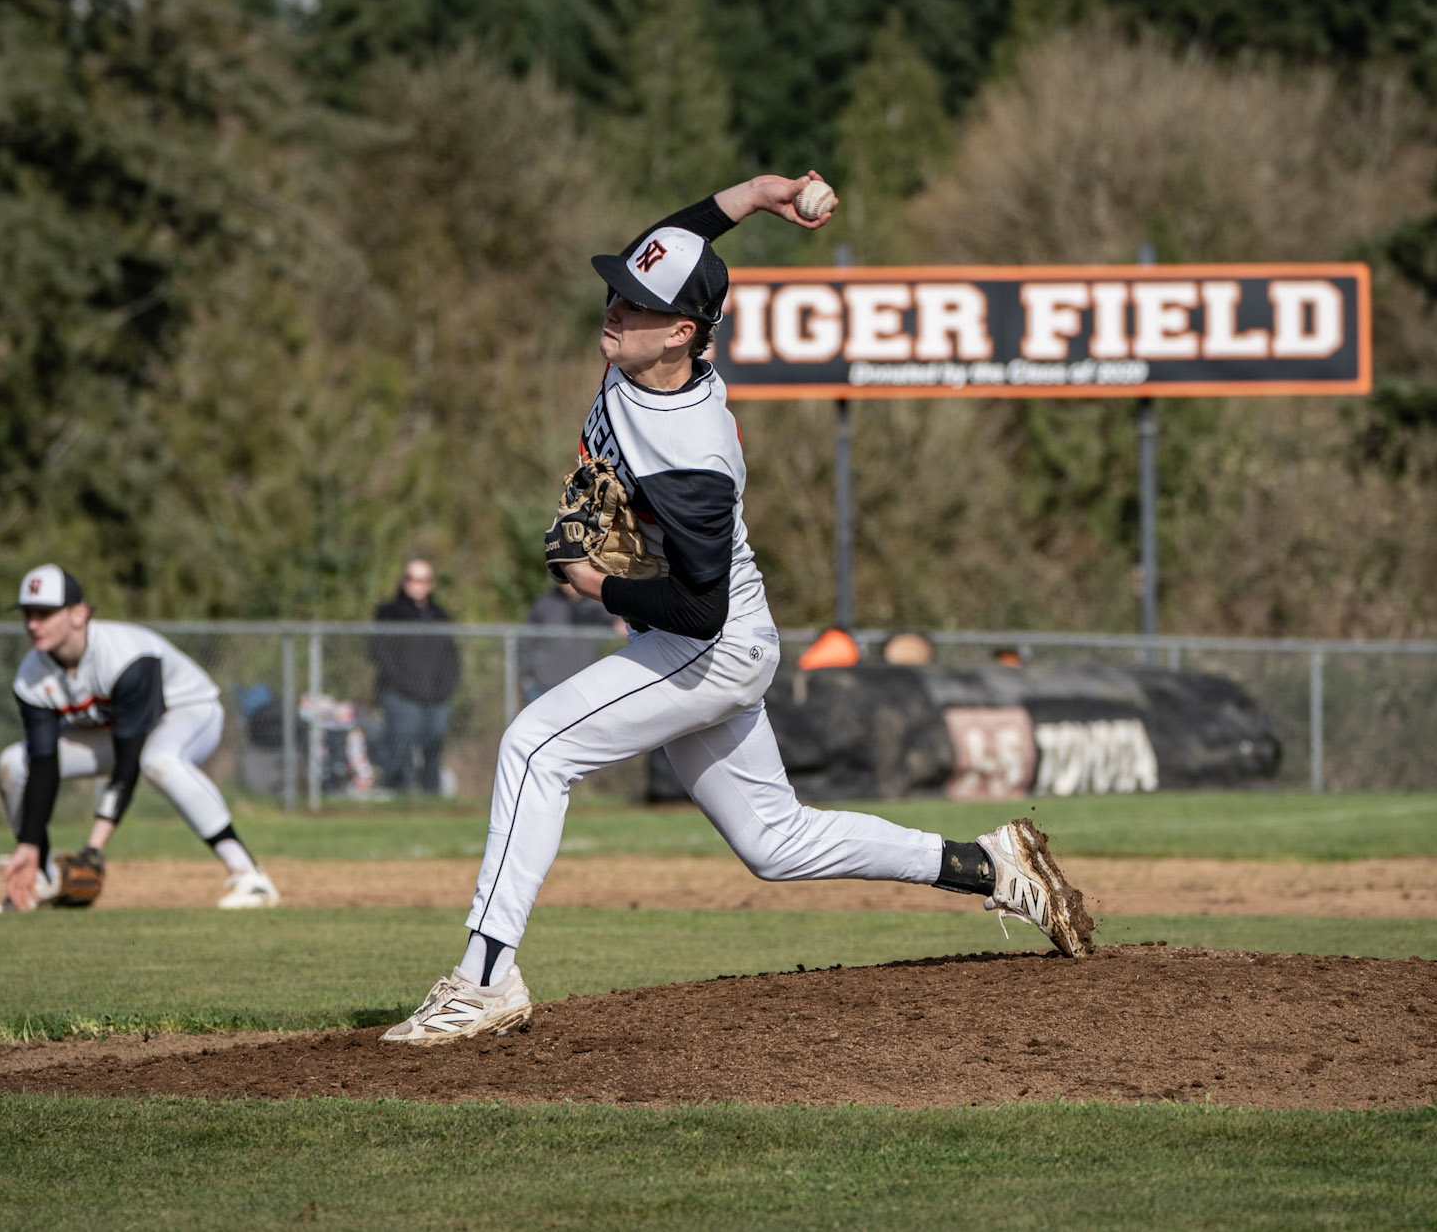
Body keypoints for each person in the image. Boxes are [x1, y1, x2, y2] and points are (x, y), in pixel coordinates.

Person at [382, 174, 1093, 1046]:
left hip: (708, 643)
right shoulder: (658, 341)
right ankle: (993, 866)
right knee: (776, 841)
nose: (613, 307)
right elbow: (672, 243)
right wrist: (758, 195)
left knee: (536, 745)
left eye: (635, 304)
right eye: (616, 289)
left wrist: (592, 582)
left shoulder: (691, 454)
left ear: (682, 332)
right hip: (707, 636)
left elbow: (698, 607)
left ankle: (484, 978)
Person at [0, 564, 278, 912]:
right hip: (116, 733)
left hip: (189, 713)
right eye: (28, 614)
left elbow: (128, 765)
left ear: (79, 614)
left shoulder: (125, 657)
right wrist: (30, 842)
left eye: (45, 613)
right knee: (13, 763)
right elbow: (44, 763)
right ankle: (42, 879)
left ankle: (249, 875)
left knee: (158, 760)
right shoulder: (30, 676)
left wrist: (93, 848)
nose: (33, 624)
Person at [368, 557, 461, 794]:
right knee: (401, 740)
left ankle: (431, 795)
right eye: (411, 579)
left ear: (430, 584)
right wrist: (402, 684)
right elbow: (378, 652)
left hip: (436, 694)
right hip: (401, 692)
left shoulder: (439, 615)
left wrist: (445, 687)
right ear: (403, 581)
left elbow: (451, 656)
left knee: (434, 741)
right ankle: (391, 790)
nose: (416, 585)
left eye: (423, 580)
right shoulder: (389, 613)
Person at [520, 581, 625, 704]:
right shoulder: (544, 603)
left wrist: (622, 622)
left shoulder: (596, 606)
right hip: (543, 685)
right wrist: (525, 676)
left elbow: (619, 624)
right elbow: (525, 642)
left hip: (581, 687)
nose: (567, 582)